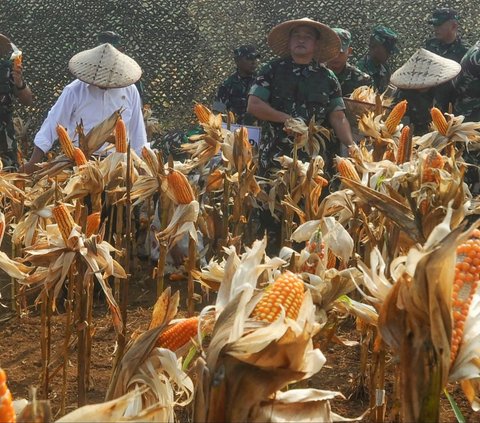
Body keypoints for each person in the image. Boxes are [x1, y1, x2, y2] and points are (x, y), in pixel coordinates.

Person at [247, 17, 354, 176]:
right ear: (289, 41)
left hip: (314, 162)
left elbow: (338, 117)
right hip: (276, 159)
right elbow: (254, 105)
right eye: (296, 35)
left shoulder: (328, 77)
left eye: (308, 36)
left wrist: (352, 146)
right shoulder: (272, 70)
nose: (301, 39)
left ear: (316, 44)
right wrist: (287, 119)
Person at [22, 43, 148, 174]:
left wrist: (143, 166)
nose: (103, 83)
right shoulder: (75, 90)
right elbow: (53, 123)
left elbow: (137, 132)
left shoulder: (130, 91)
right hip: (78, 163)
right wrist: (33, 162)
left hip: (117, 165)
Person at [390, 48, 461, 136]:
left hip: (444, 134)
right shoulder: (402, 93)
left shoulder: (447, 87)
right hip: (416, 135)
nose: (421, 87)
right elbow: (395, 121)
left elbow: (456, 110)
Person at [0, 34, 33, 168]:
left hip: (4, 139)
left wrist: (19, 82)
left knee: (10, 175)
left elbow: (28, 100)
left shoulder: (7, 69)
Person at [212, 45, 260, 125]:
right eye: (249, 58)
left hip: (260, 132)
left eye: (255, 58)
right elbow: (217, 112)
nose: (253, 62)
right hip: (235, 131)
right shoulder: (228, 85)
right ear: (237, 61)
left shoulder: (262, 82)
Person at [96, 30, 145, 102]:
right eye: (104, 52)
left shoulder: (131, 82)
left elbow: (137, 109)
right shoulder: (81, 85)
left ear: (121, 51)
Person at [326, 28, 371, 96]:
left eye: (340, 52)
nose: (336, 56)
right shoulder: (315, 75)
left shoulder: (362, 80)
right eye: (332, 51)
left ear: (349, 52)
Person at [356, 25, 399, 93]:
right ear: (374, 47)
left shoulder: (385, 68)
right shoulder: (360, 70)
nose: (389, 54)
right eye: (387, 50)